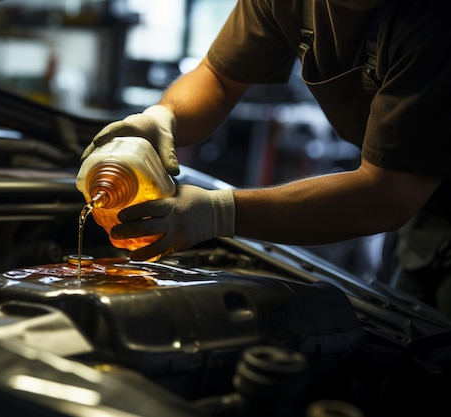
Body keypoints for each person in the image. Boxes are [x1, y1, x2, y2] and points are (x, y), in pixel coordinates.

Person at [80, 0, 451, 317]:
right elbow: (218, 77)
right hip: (422, 222)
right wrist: (164, 116)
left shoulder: (432, 19)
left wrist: (218, 212)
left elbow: (388, 194)